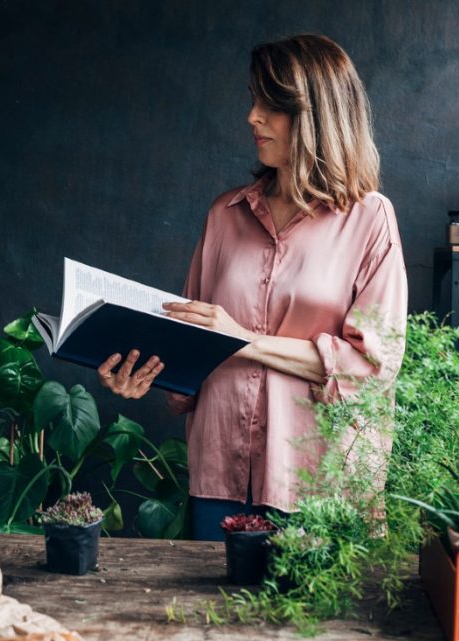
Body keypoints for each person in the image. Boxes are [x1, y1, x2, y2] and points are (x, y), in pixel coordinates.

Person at [97, 34, 408, 541]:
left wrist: (242, 339)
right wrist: (144, 371)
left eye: (272, 105)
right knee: (211, 619)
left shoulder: (369, 220)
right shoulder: (225, 215)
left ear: (317, 116)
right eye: (253, 100)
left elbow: (371, 368)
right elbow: (195, 340)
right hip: (220, 473)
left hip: (319, 483)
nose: (252, 116)